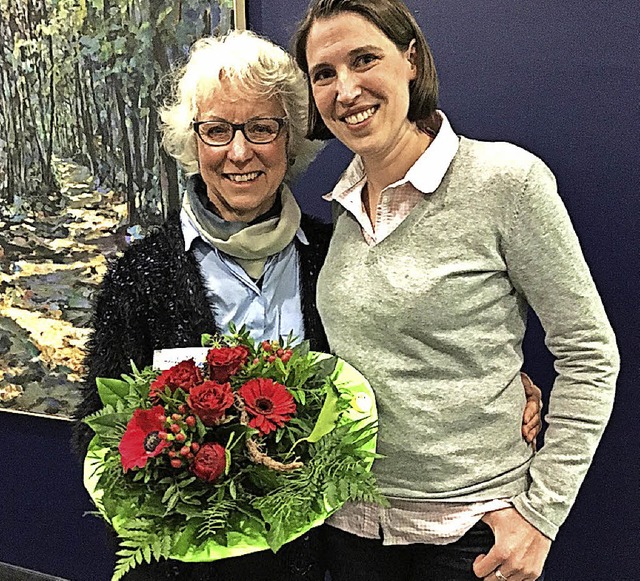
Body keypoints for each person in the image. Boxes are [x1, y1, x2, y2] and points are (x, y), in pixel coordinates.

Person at [72, 29, 541, 581]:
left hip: (327, 555)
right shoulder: (140, 275)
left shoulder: (335, 250)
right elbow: (100, 429)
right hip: (188, 564)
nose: (239, 151)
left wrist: (506, 386)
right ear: (192, 144)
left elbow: (388, 364)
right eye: (217, 130)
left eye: (262, 128)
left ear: (290, 140)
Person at [293, 1, 620, 581]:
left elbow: (590, 354)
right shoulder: (338, 209)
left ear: (411, 60)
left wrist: (542, 515)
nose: (345, 89)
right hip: (351, 527)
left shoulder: (506, 182)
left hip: (468, 535)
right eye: (324, 73)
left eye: (364, 59)